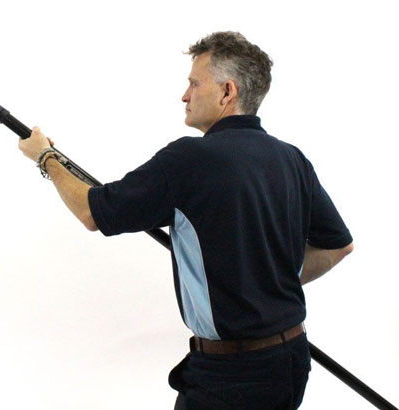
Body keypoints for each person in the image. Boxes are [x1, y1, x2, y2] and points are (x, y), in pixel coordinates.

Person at [18, 31, 354, 410]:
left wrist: (45, 157)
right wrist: (267, 281)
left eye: (194, 83)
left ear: (227, 91)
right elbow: (339, 246)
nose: (184, 95)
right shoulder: (290, 159)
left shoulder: (190, 159)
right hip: (291, 358)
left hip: (231, 377)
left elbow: (92, 212)